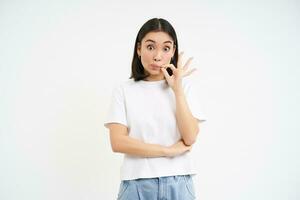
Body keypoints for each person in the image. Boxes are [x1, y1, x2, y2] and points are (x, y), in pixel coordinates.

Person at [104, 18, 206, 200]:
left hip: (179, 183)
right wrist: (167, 151)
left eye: (166, 48)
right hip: (136, 184)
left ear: (173, 51)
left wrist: (177, 90)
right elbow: (118, 142)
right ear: (139, 48)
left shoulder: (184, 88)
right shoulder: (124, 90)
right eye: (150, 47)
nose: (157, 56)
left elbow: (190, 137)